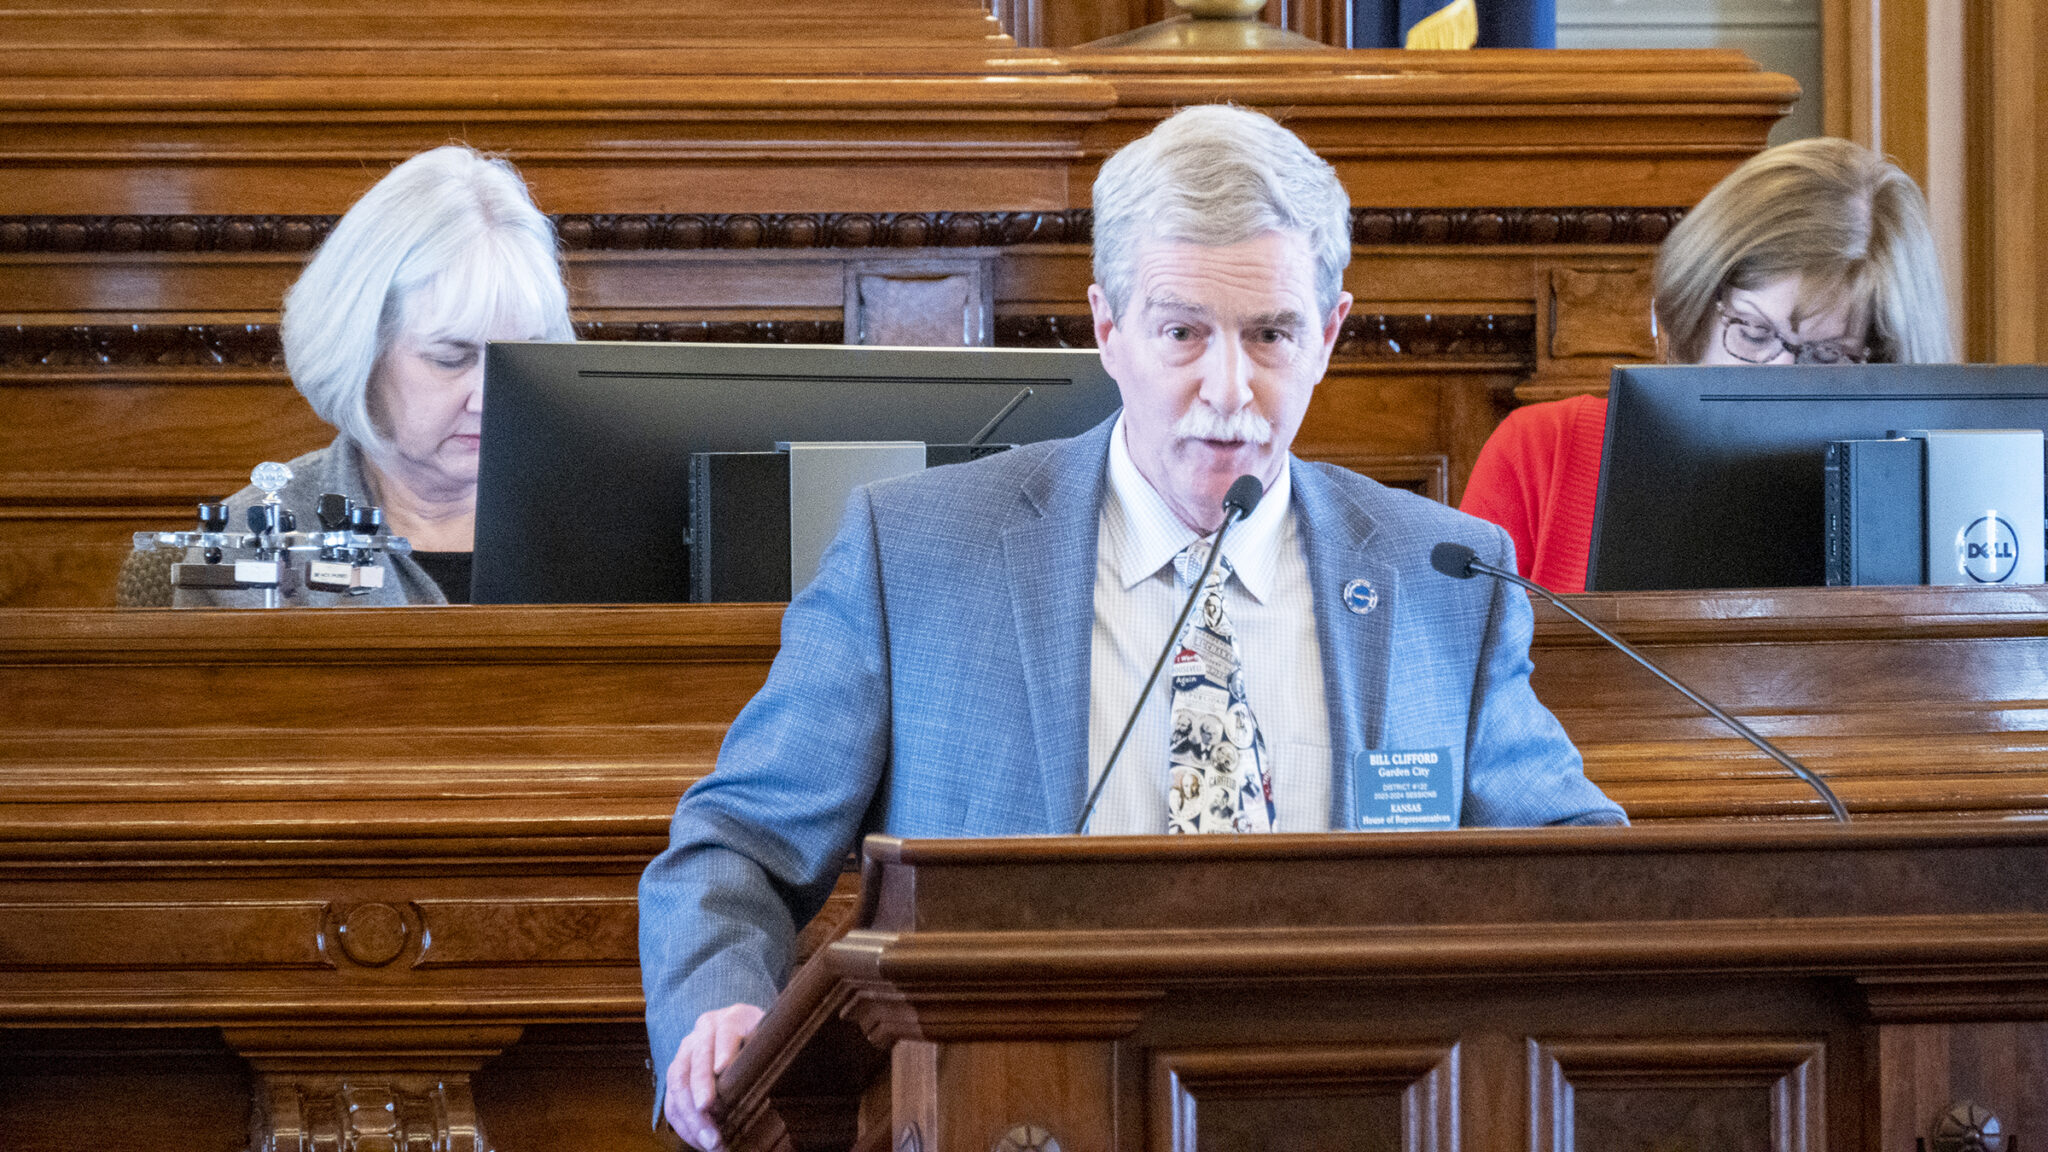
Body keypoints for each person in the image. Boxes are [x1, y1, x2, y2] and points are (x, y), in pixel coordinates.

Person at [639, 105, 1625, 1150]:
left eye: (1270, 335)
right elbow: (736, 848)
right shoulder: (918, 554)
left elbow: (1575, 868)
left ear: (1329, 333)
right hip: (1016, 1116)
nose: (1227, 388)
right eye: (1183, 332)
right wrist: (716, 1009)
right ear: (1107, 328)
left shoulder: (1443, 574)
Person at [1458, 136, 1954, 592]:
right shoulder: (1540, 451)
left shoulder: (1936, 498)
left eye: (1827, 356)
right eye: (1755, 333)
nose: (1779, 378)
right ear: (1695, 311)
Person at [159, 144, 574, 607]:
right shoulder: (251, 537)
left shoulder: (615, 521)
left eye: (517, 360)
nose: (488, 398)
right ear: (361, 352)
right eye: (449, 359)